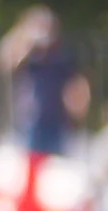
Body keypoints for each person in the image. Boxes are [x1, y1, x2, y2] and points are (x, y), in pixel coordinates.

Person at [8, 9, 90, 158]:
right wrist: (25, 39)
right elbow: (7, 62)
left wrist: (78, 104)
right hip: (30, 118)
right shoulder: (28, 56)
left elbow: (75, 82)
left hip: (57, 118)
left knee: (55, 164)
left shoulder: (60, 57)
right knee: (31, 162)